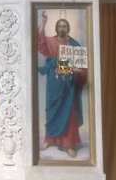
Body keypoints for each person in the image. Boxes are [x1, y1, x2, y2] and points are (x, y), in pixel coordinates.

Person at [37, 12, 85, 158]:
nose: (62, 28)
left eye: (64, 26)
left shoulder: (74, 44)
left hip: (68, 83)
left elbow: (81, 66)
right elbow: (39, 42)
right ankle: (50, 139)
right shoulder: (51, 41)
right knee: (52, 111)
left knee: (69, 113)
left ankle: (69, 144)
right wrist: (44, 22)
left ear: (68, 28)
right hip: (54, 82)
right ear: (56, 28)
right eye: (59, 26)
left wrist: (77, 70)